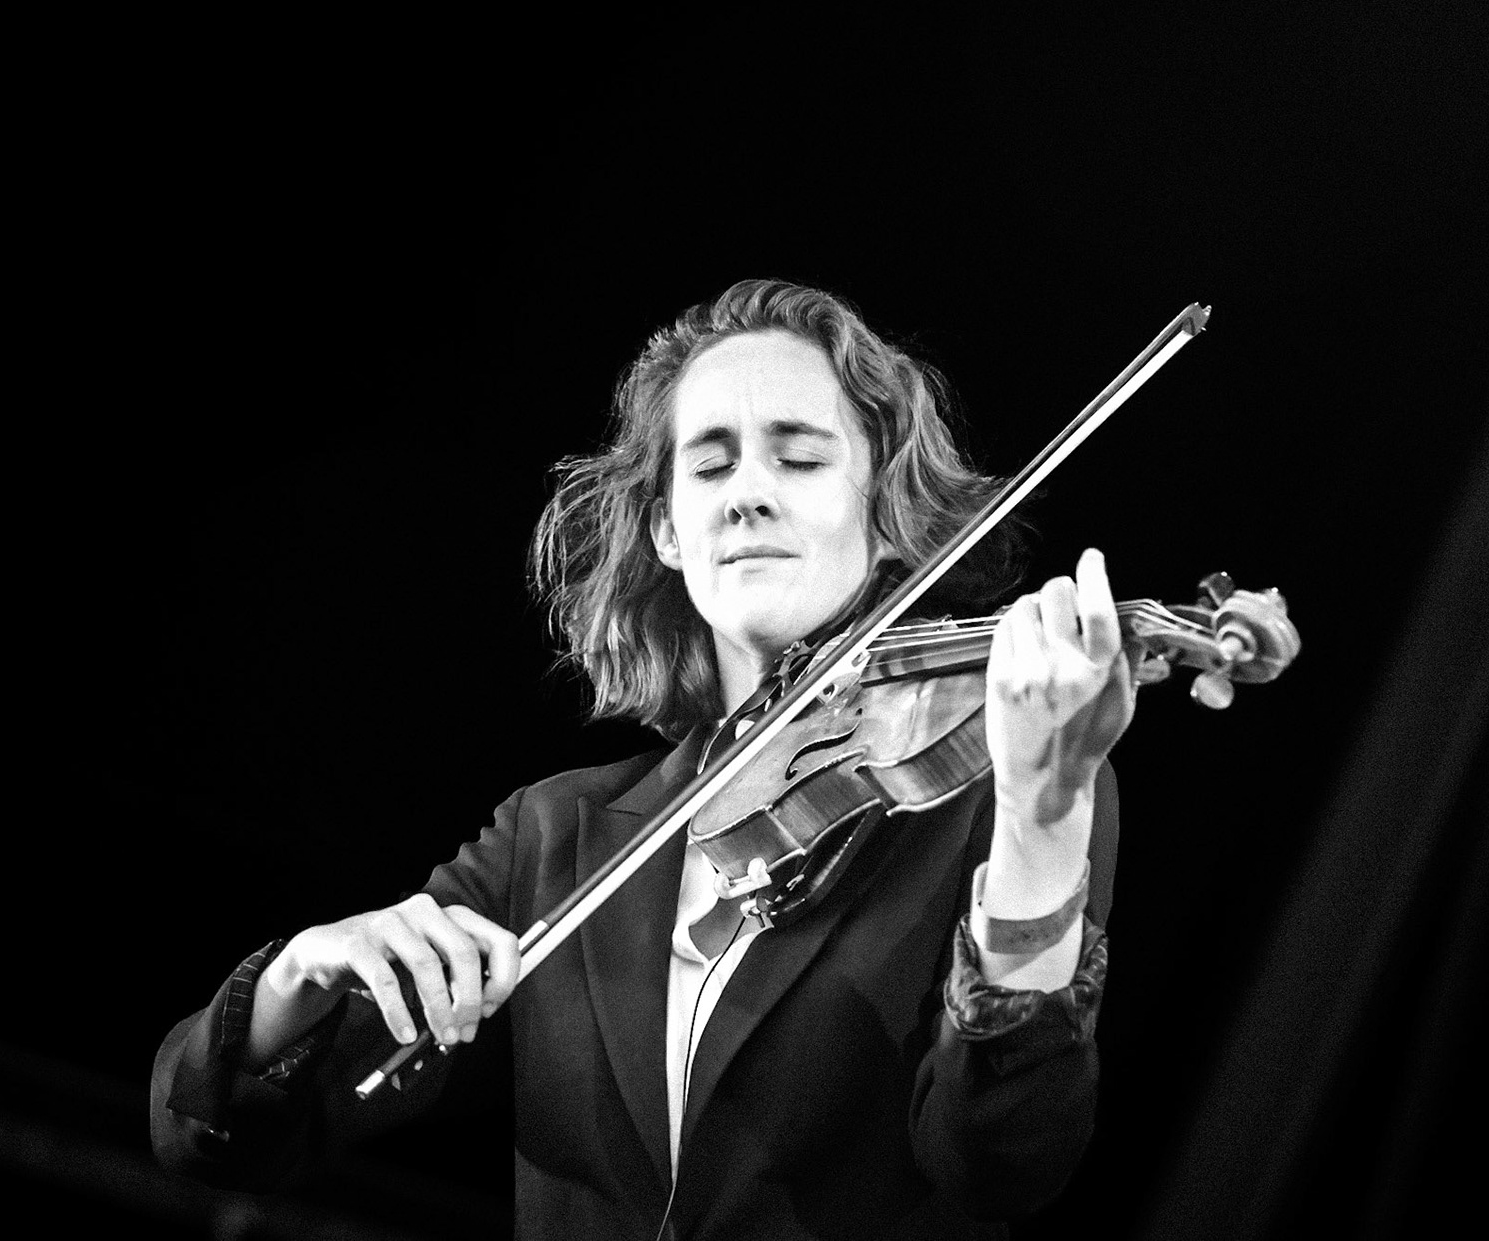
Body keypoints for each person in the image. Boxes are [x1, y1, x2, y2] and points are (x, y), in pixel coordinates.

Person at [151, 279, 1134, 1239]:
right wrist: (297, 976)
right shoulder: (553, 839)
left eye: (798, 458)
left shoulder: (992, 793)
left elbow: (1004, 1163)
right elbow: (213, 1139)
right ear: (668, 529)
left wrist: (1042, 821)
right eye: (710, 467)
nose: (748, 495)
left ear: (885, 515)